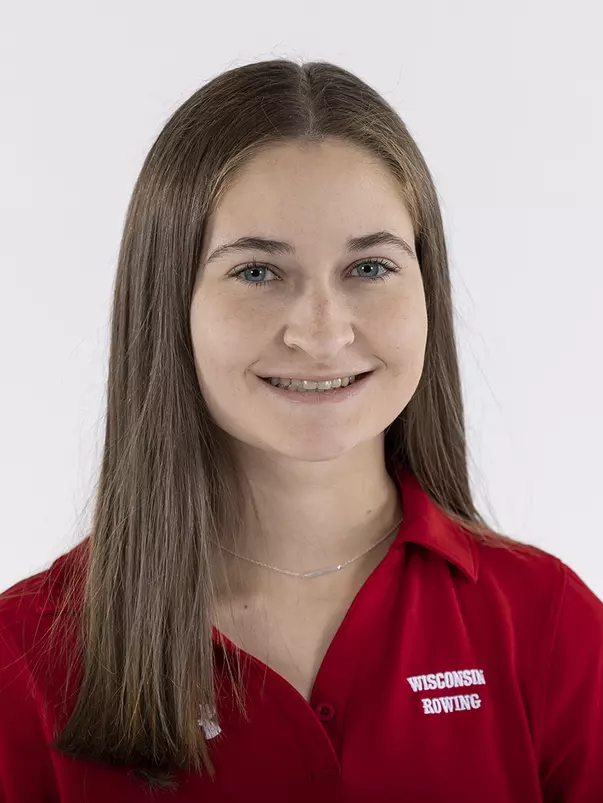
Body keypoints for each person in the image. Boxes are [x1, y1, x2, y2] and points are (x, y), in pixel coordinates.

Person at [1, 58, 602, 803]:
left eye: (369, 267)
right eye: (257, 272)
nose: (321, 333)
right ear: (168, 302)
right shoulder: (22, 657)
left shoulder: (548, 625)